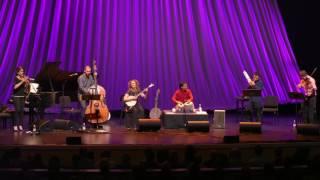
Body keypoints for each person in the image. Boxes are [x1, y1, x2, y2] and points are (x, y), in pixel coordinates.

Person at [12, 66, 29, 131]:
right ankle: (15, 125)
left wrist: (26, 82)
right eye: (21, 71)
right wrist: (22, 81)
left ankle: (20, 125)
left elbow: (25, 88)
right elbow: (15, 87)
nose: (22, 72)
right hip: (16, 97)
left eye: (23, 71)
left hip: (22, 97)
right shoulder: (15, 78)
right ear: (18, 72)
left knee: (22, 111)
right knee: (17, 110)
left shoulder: (23, 78)